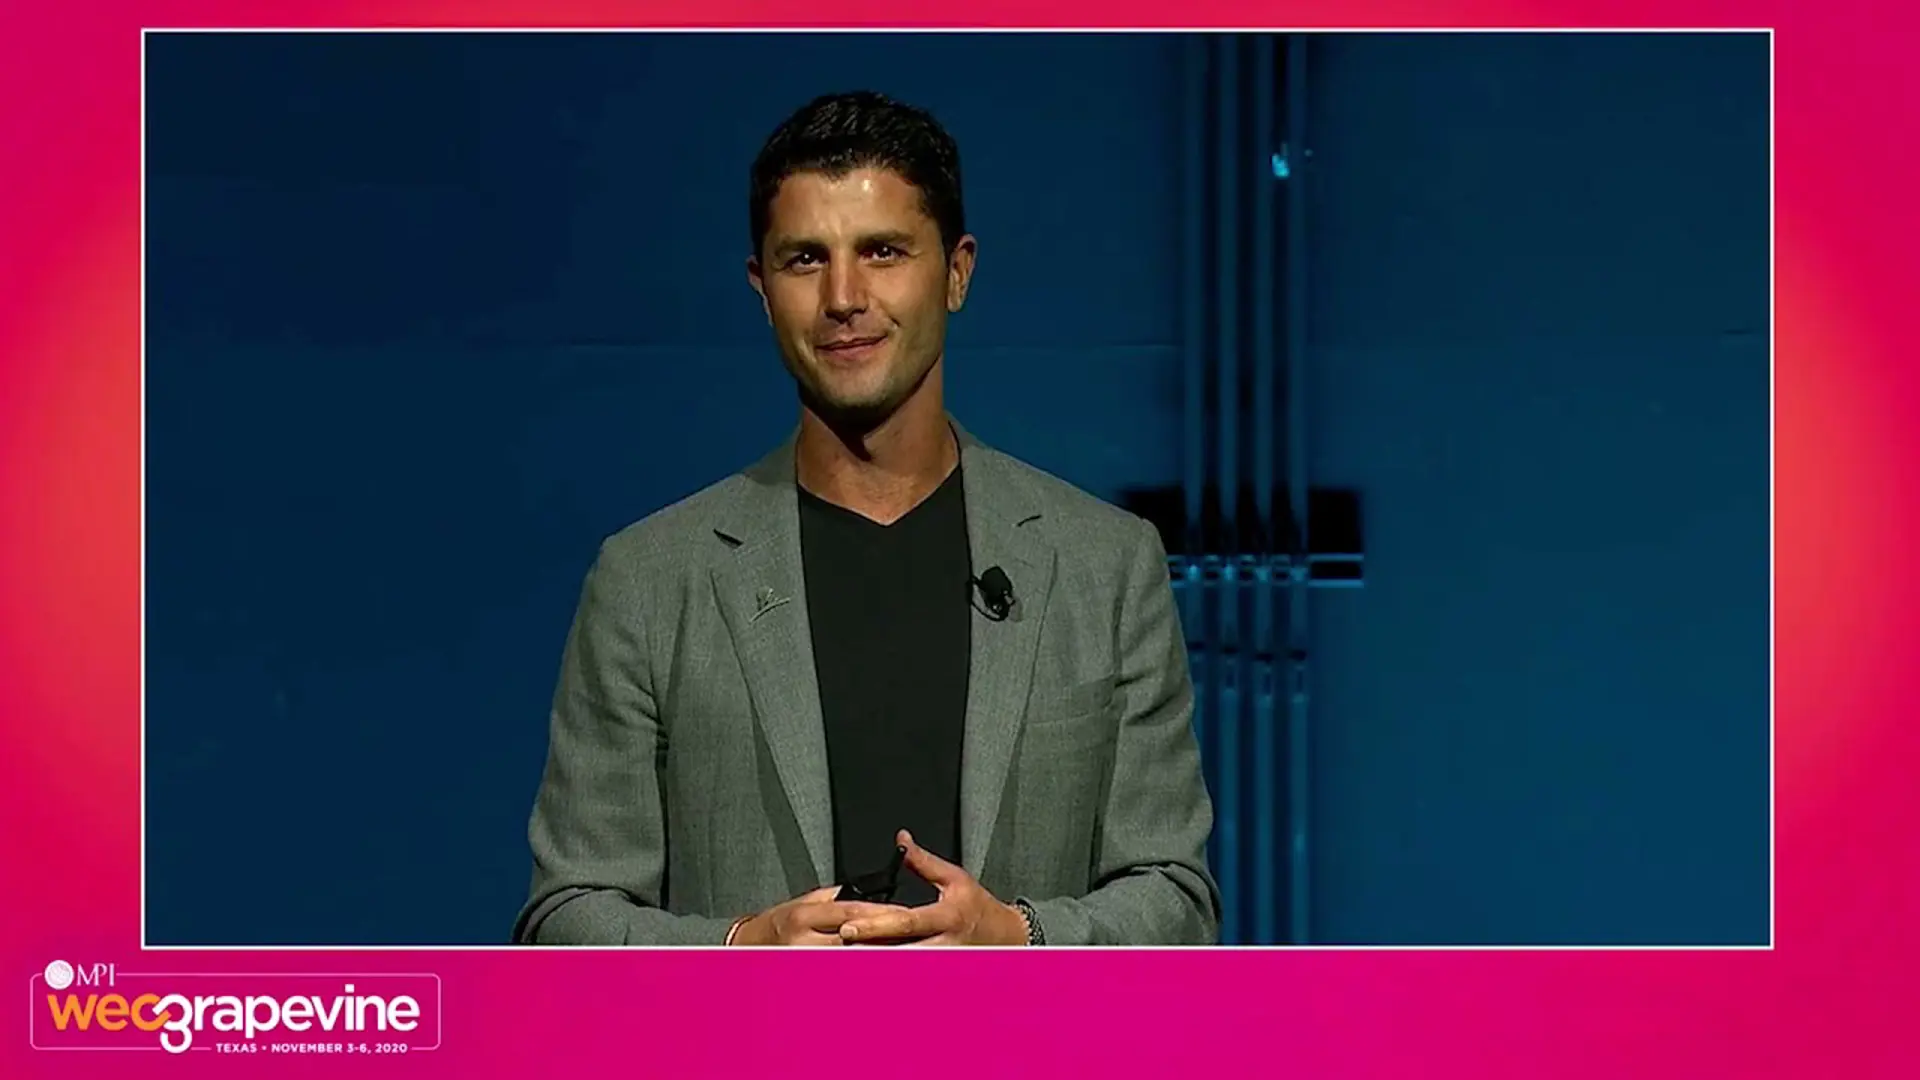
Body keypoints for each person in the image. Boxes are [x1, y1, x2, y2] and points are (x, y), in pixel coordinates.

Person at [511, 90, 1220, 946]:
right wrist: (742, 949)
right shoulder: (649, 582)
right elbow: (567, 917)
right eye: (805, 259)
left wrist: (1017, 938)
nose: (843, 296)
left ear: (956, 272)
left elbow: (1176, 901)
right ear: (761, 290)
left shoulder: (1106, 567)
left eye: (883, 251)